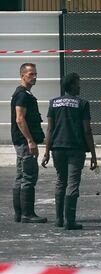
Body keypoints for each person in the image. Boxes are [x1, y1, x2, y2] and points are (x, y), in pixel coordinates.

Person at [41, 73, 97, 230]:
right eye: (78, 83)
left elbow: (50, 129)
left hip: (57, 148)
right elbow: (87, 130)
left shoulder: (53, 103)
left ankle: (59, 219)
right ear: (71, 85)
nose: (79, 86)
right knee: (73, 184)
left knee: (61, 181)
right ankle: (70, 221)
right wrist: (93, 154)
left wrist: (46, 152)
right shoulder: (82, 103)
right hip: (76, 149)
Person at [11, 63, 46, 223]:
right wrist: (30, 141)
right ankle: (27, 214)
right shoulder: (22, 95)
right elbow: (20, 118)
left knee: (21, 177)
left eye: (35, 74)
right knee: (29, 177)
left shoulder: (24, 94)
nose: (34, 77)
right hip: (25, 142)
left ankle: (19, 214)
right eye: (31, 74)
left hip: (21, 142)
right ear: (22, 75)